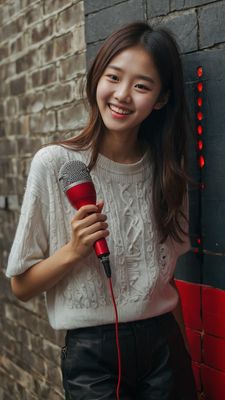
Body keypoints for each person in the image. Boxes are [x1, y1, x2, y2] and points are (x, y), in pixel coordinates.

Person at [6, 21, 197, 400]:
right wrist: (74, 250)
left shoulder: (167, 173)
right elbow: (21, 286)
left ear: (160, 99)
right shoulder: (55, 164)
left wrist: (186, 362)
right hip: (92, 360)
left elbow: (165, 282)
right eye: (114, 77)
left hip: (165, 349)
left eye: (142, 85)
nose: (123, 95)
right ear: (97, 77)